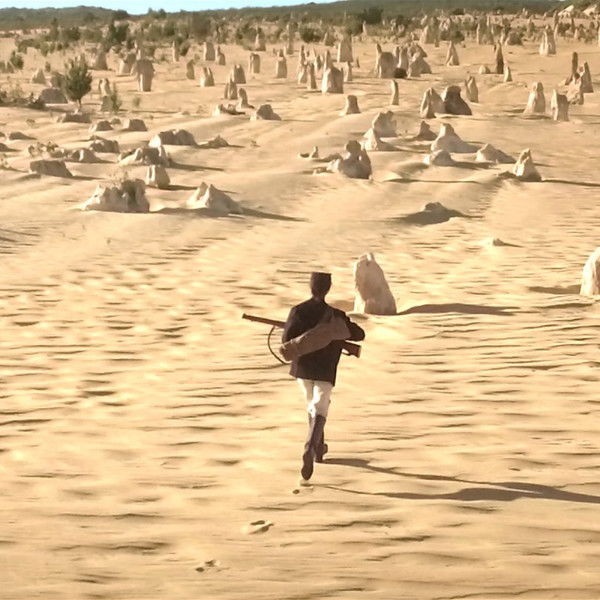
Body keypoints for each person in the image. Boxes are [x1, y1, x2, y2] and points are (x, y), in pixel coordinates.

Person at [282, 272, 365, 481]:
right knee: (320, 406)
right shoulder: (336, 315)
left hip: (303, 368)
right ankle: (310, 447)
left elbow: (286, 340)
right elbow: (359, 334)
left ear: (311, 287)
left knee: (313, 405)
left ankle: (318, 449)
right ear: (328, 288)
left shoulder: (297, 311)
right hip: (326, 368)